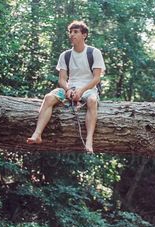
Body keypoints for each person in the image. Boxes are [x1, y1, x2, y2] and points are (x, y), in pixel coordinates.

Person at [27, 20, 105, 153]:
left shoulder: (94, 52)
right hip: (71, 88)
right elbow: (62, 79)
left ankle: (89, 140)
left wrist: (82, 90)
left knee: (92, 101)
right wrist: (68, 90)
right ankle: (37, 134)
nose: (72, 35)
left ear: (84, 35)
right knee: (48, 97)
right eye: (70, 32)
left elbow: (96, 78)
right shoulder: (65, 55)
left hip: (88, 89)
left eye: (76, 32)